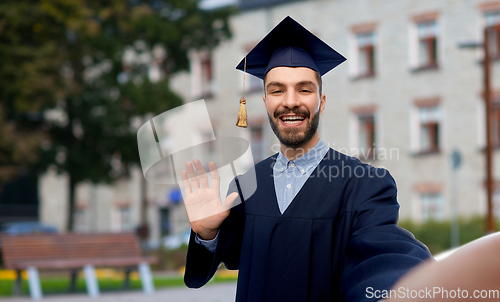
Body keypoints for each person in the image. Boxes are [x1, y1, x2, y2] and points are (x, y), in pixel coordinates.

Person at [181, 16, 432, 302]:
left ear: (321, 102)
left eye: (304, 89)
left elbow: (383, 252)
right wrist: (208, 234)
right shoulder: (248, 185)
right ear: (265, 102)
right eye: (277, 90)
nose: (290, 101)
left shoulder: (364, 185)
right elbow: (234, 255)